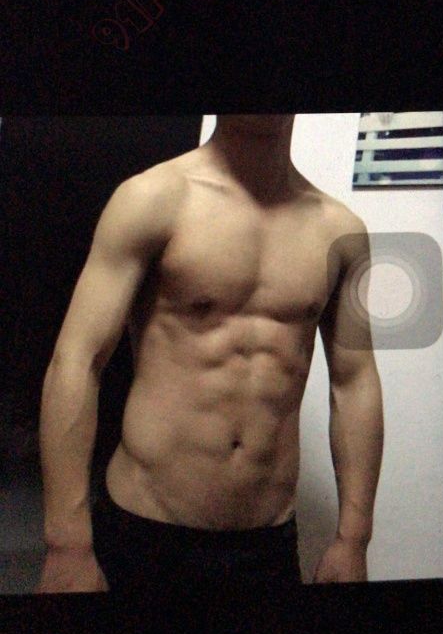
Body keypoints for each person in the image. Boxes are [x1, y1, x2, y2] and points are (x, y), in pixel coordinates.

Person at [36, 114, 384, 594]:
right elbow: (76, 361)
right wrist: (67, 544)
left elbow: (355, 382)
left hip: (267, 543)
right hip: (145, 532)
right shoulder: (152, 199)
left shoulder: (342, 232)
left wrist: (354, 538)